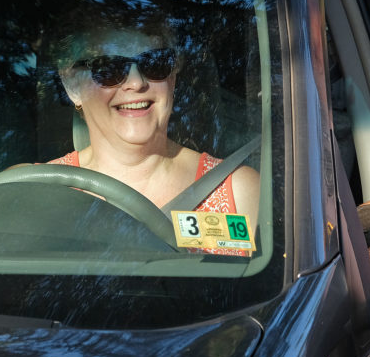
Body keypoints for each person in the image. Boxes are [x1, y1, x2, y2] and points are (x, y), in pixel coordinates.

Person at [46, 14, 260, 253]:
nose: (137, 82)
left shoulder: (237, 189)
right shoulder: (35, 191)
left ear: (173, 78)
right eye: (109, 69)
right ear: (72, 85)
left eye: (156, 63)